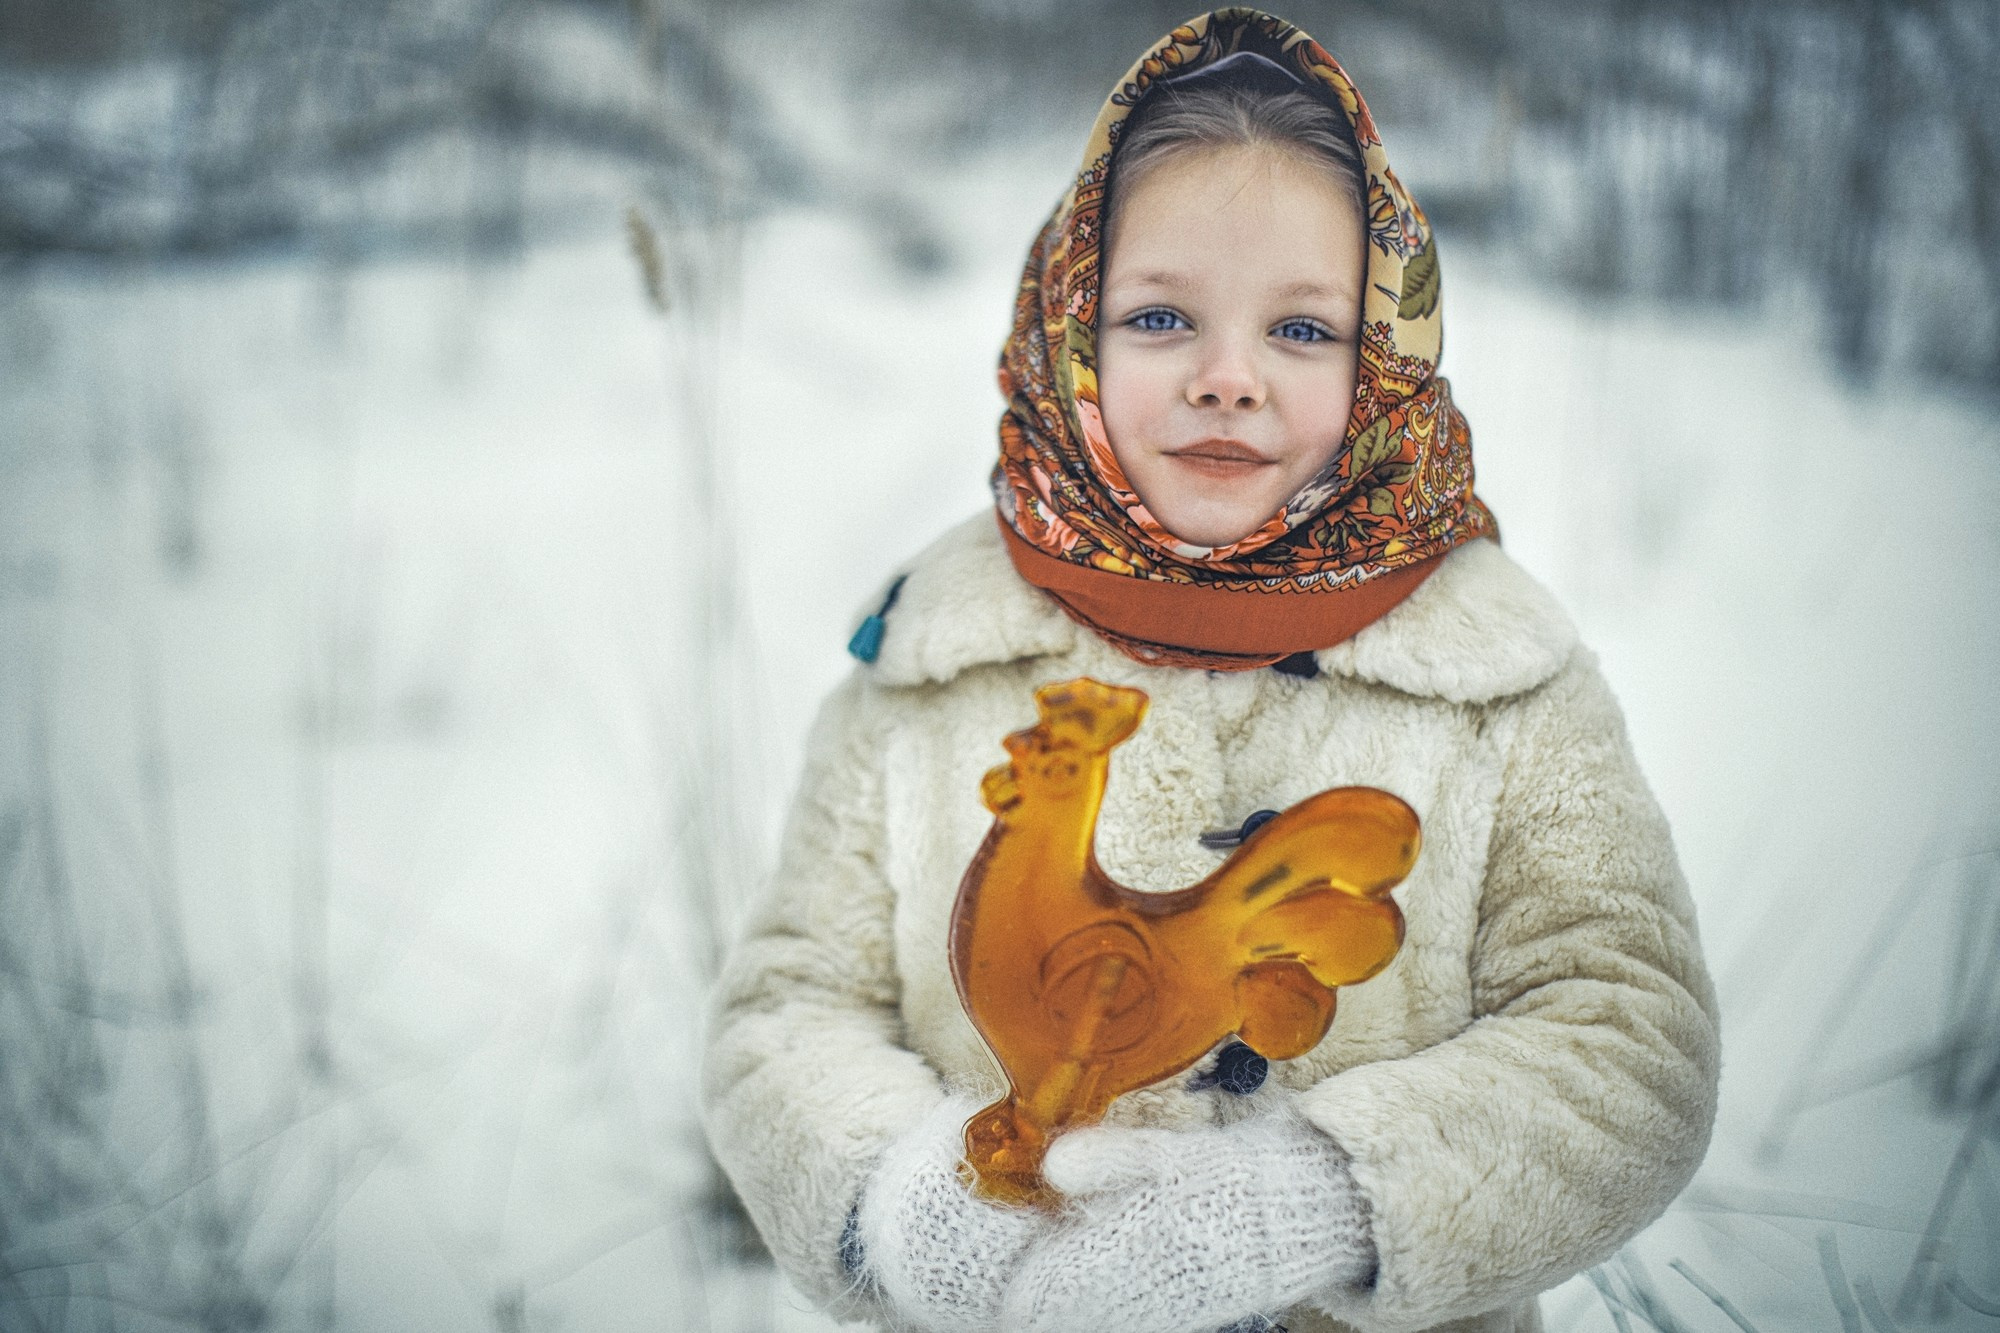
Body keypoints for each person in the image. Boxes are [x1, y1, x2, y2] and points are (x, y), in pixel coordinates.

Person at [700, 10, 1720, 1333]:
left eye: (1303, 331)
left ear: (1389, 357)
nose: (1228, 378)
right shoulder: (932, 657)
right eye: (1163, 315)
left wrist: (1306, 1205)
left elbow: (1629, 1044)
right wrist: (905, 1195)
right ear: (1069, 331)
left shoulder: (1501, 679)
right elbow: (787, 1007)